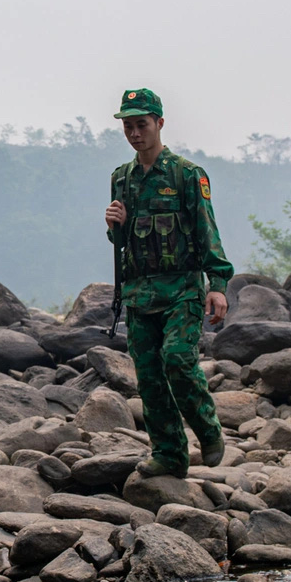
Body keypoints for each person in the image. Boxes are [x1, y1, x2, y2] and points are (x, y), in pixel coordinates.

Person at [106, 88, 232, 477]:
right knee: (149, 376)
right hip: (140, 292)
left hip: (181, 290)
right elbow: (122, 242)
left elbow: (206, 230)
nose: (134, 133)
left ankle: (209, 430)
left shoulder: (186, 174)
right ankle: (169, 454)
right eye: (128, 126)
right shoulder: (122, 178)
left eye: (141, 124)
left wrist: (217, 285)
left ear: (160, 123)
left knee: (177, 359)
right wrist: (115, 226)